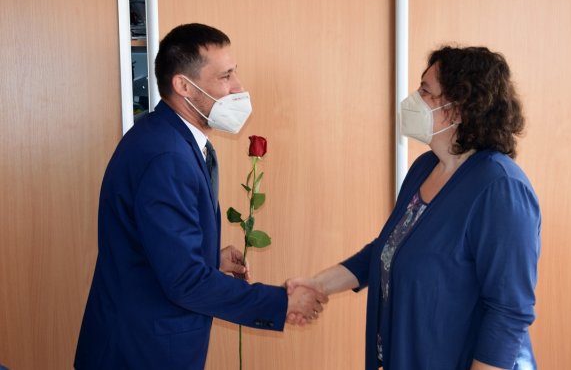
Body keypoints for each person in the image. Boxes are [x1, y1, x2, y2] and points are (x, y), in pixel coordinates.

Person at [75, 23, 327, 370]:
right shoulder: (167, 157)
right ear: (184, 86)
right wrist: (281, 303)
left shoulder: (169, 137)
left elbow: (154, 246)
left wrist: (209, 257)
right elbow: (184, 281)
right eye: (225, 76)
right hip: (142, 351)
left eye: (234, 72)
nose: (238, 87)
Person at [287, 46, 541, 369]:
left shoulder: (500, 188)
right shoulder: (425, 167)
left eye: (425, 91)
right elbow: (388, 248)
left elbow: (508, 311)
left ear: (459, 108)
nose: (413, 100)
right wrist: (319, 284)